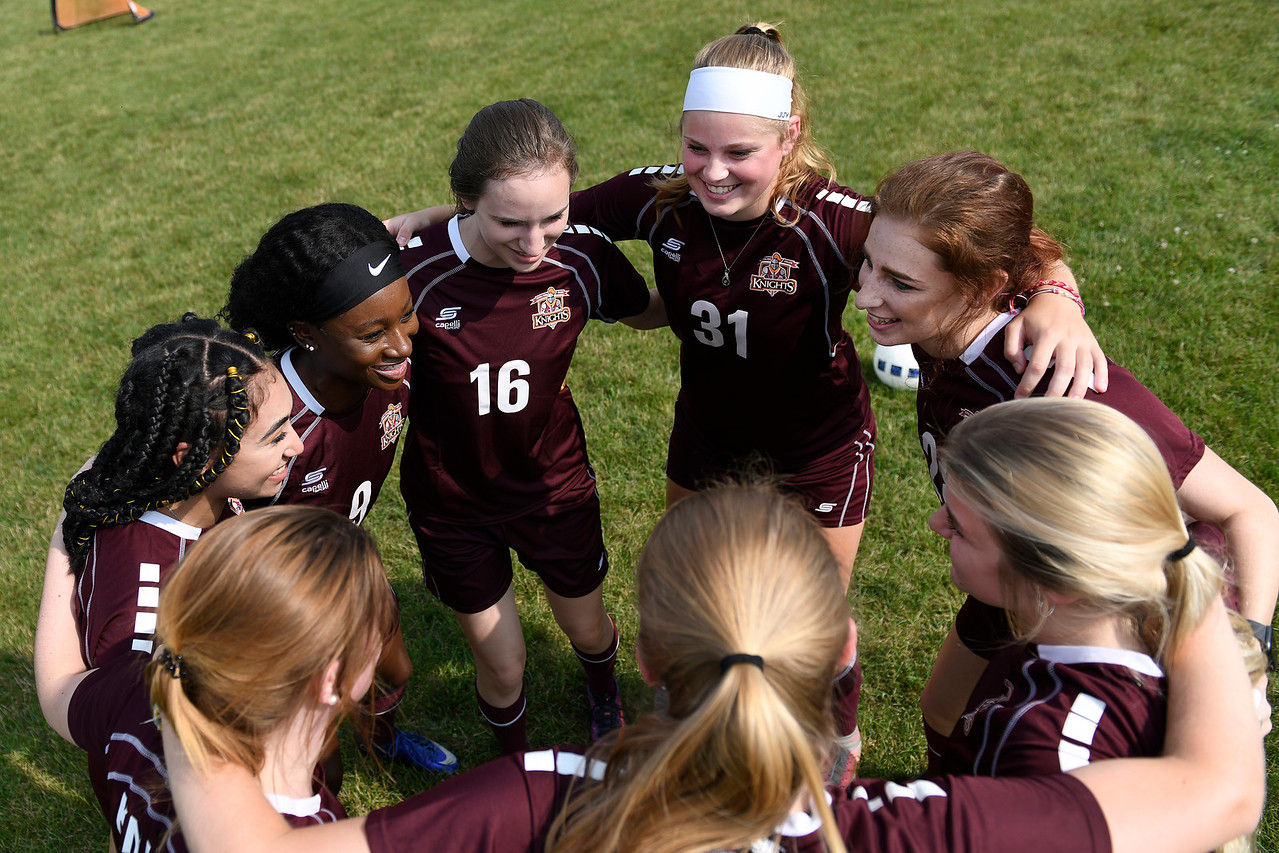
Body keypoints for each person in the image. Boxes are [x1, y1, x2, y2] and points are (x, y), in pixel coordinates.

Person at [160, 482, 1263, 853]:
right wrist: (1177, 568)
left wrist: (183, 679)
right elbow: (1220, 787)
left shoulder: (547, 797)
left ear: (642, 654)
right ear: (842, 653)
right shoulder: (915, 828)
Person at [386, 24, 1103, 593]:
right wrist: (444, 217)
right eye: (694, 147)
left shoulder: (836, 220)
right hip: (706, 432)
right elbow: (537, 207)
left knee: (815, 605)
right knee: (685, 584)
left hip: (816, 444)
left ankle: (827, 740)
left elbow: (993, 247)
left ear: (788, 135)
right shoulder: (663, 197)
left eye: (739, 151)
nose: (712, 170)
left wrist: (1058, 296)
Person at [851, 151, 1279, 735]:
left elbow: (1248, 510)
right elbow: (1028, 245)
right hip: (1020, 566)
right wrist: (1060, 291)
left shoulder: (1060, 385)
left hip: (1116, 605)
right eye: (868, 265)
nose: (866, 295)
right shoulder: (941, 318)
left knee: (1031, 749)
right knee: (945, 712)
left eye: (898, 282)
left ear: (985, 286)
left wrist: (1248, 663)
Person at [396, 98, 664, 753]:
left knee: (590, 627)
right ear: (463, 202)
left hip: (554, 488)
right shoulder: (412, 272)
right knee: (503, 663)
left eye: (553, 216)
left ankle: (601, 689)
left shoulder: (582, 257)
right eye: (509, 223)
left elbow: (653, 313)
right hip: (452, 504)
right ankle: (514, 769)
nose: (535, 243)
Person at [222, 202, 456, 775]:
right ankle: (313, 799)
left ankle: (379, 738)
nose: (401, 345)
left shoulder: (386, 366)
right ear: (306, 335)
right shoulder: (269, 425)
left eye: (406, 316)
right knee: (313, 732)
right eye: (374, 333)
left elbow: (478, 228)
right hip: (276, 593)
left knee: (394, 670)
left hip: (343, 558)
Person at [36, 505, 396, 850]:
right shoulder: (317, 836)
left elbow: (57, 686)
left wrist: (73, 514)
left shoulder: (146, 691)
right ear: (331, 680)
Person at [924, 398, 1222, 775]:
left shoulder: (1047, 759)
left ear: (1053, 577)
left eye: (958, 528)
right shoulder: (1057, 624)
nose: (935, 524)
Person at [35, 315, 302, 697]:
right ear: (195, 456)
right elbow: (132, 723)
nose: (298, 446)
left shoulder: (199, 496)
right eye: (276, 437)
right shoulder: (150, 602)